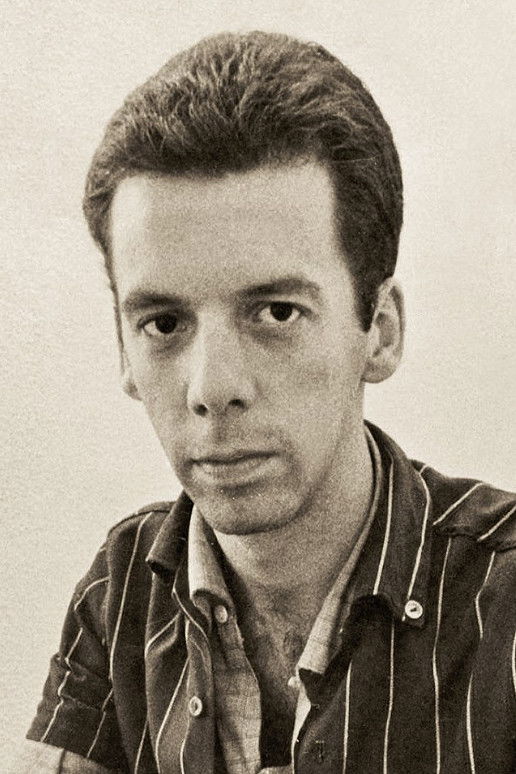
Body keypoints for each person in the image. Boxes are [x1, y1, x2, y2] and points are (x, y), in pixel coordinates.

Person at [15, 31, 515, 774]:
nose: (212, 388)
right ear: (123, 352)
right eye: (164, 324)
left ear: (379, 330)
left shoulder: (504, 598)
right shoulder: (122, 589)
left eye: (276, 312)